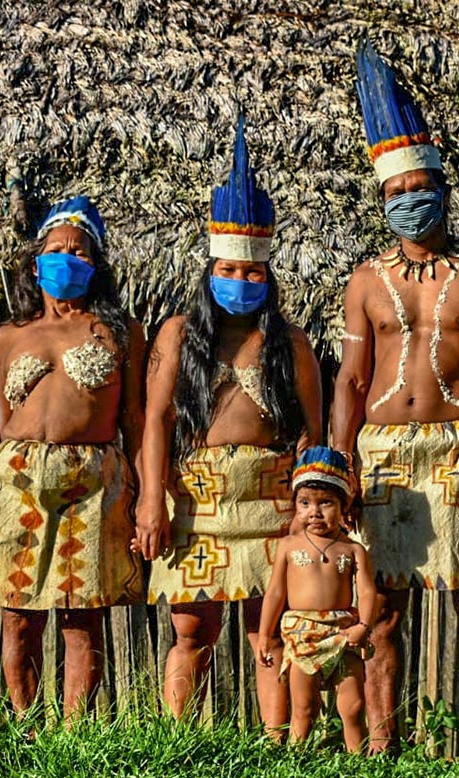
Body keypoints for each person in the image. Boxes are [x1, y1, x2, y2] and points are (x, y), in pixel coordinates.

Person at [330, 42, 459, 766]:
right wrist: (338, 463)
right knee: (380, 617)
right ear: (382, 199)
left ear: (442, 186)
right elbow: (352, 382)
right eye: (396, 190)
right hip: (383, 459)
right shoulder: (363, 280)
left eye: (421, 185)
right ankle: (381, 749)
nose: (410, 199)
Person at [136, 117, 323, 736]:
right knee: (193, 625)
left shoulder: (290, 344)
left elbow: (310, 432)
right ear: (209, 270)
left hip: (270, 498)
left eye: (253, 273)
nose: (241, 282)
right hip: (197, 499)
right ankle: (177, 740)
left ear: (268, 277)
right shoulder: (177, 335)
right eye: (230, 271)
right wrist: (151, 499)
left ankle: (278, 748)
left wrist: (305, 504)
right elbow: (157, 422)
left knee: (267, 626)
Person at [0, 196, 148, 722]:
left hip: (94, 479)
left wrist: (149, 493)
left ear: (96, 265)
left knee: (83, 617)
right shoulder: (10, 334)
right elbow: (5, 412)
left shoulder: (120, 332)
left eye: (78, 250)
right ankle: (26, 729)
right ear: (35, 263)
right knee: (18, 616)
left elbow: (135, 419)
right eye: (55, 249)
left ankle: (75, 738)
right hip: (16, 479)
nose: (66, 258)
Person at [256, 447, 379, 752]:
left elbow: (366, 591)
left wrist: (364, 624)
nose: (315, 512)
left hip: (343, 632)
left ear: (343, 505)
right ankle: (297, 763)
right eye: (305, 503)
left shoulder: (353, 550)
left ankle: (359, 764)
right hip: (302, 634)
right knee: (304, 709)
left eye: (326, 503)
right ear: (295, 505)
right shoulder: (288, 546)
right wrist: (264, 635)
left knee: (352, 706)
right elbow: (275, 593)